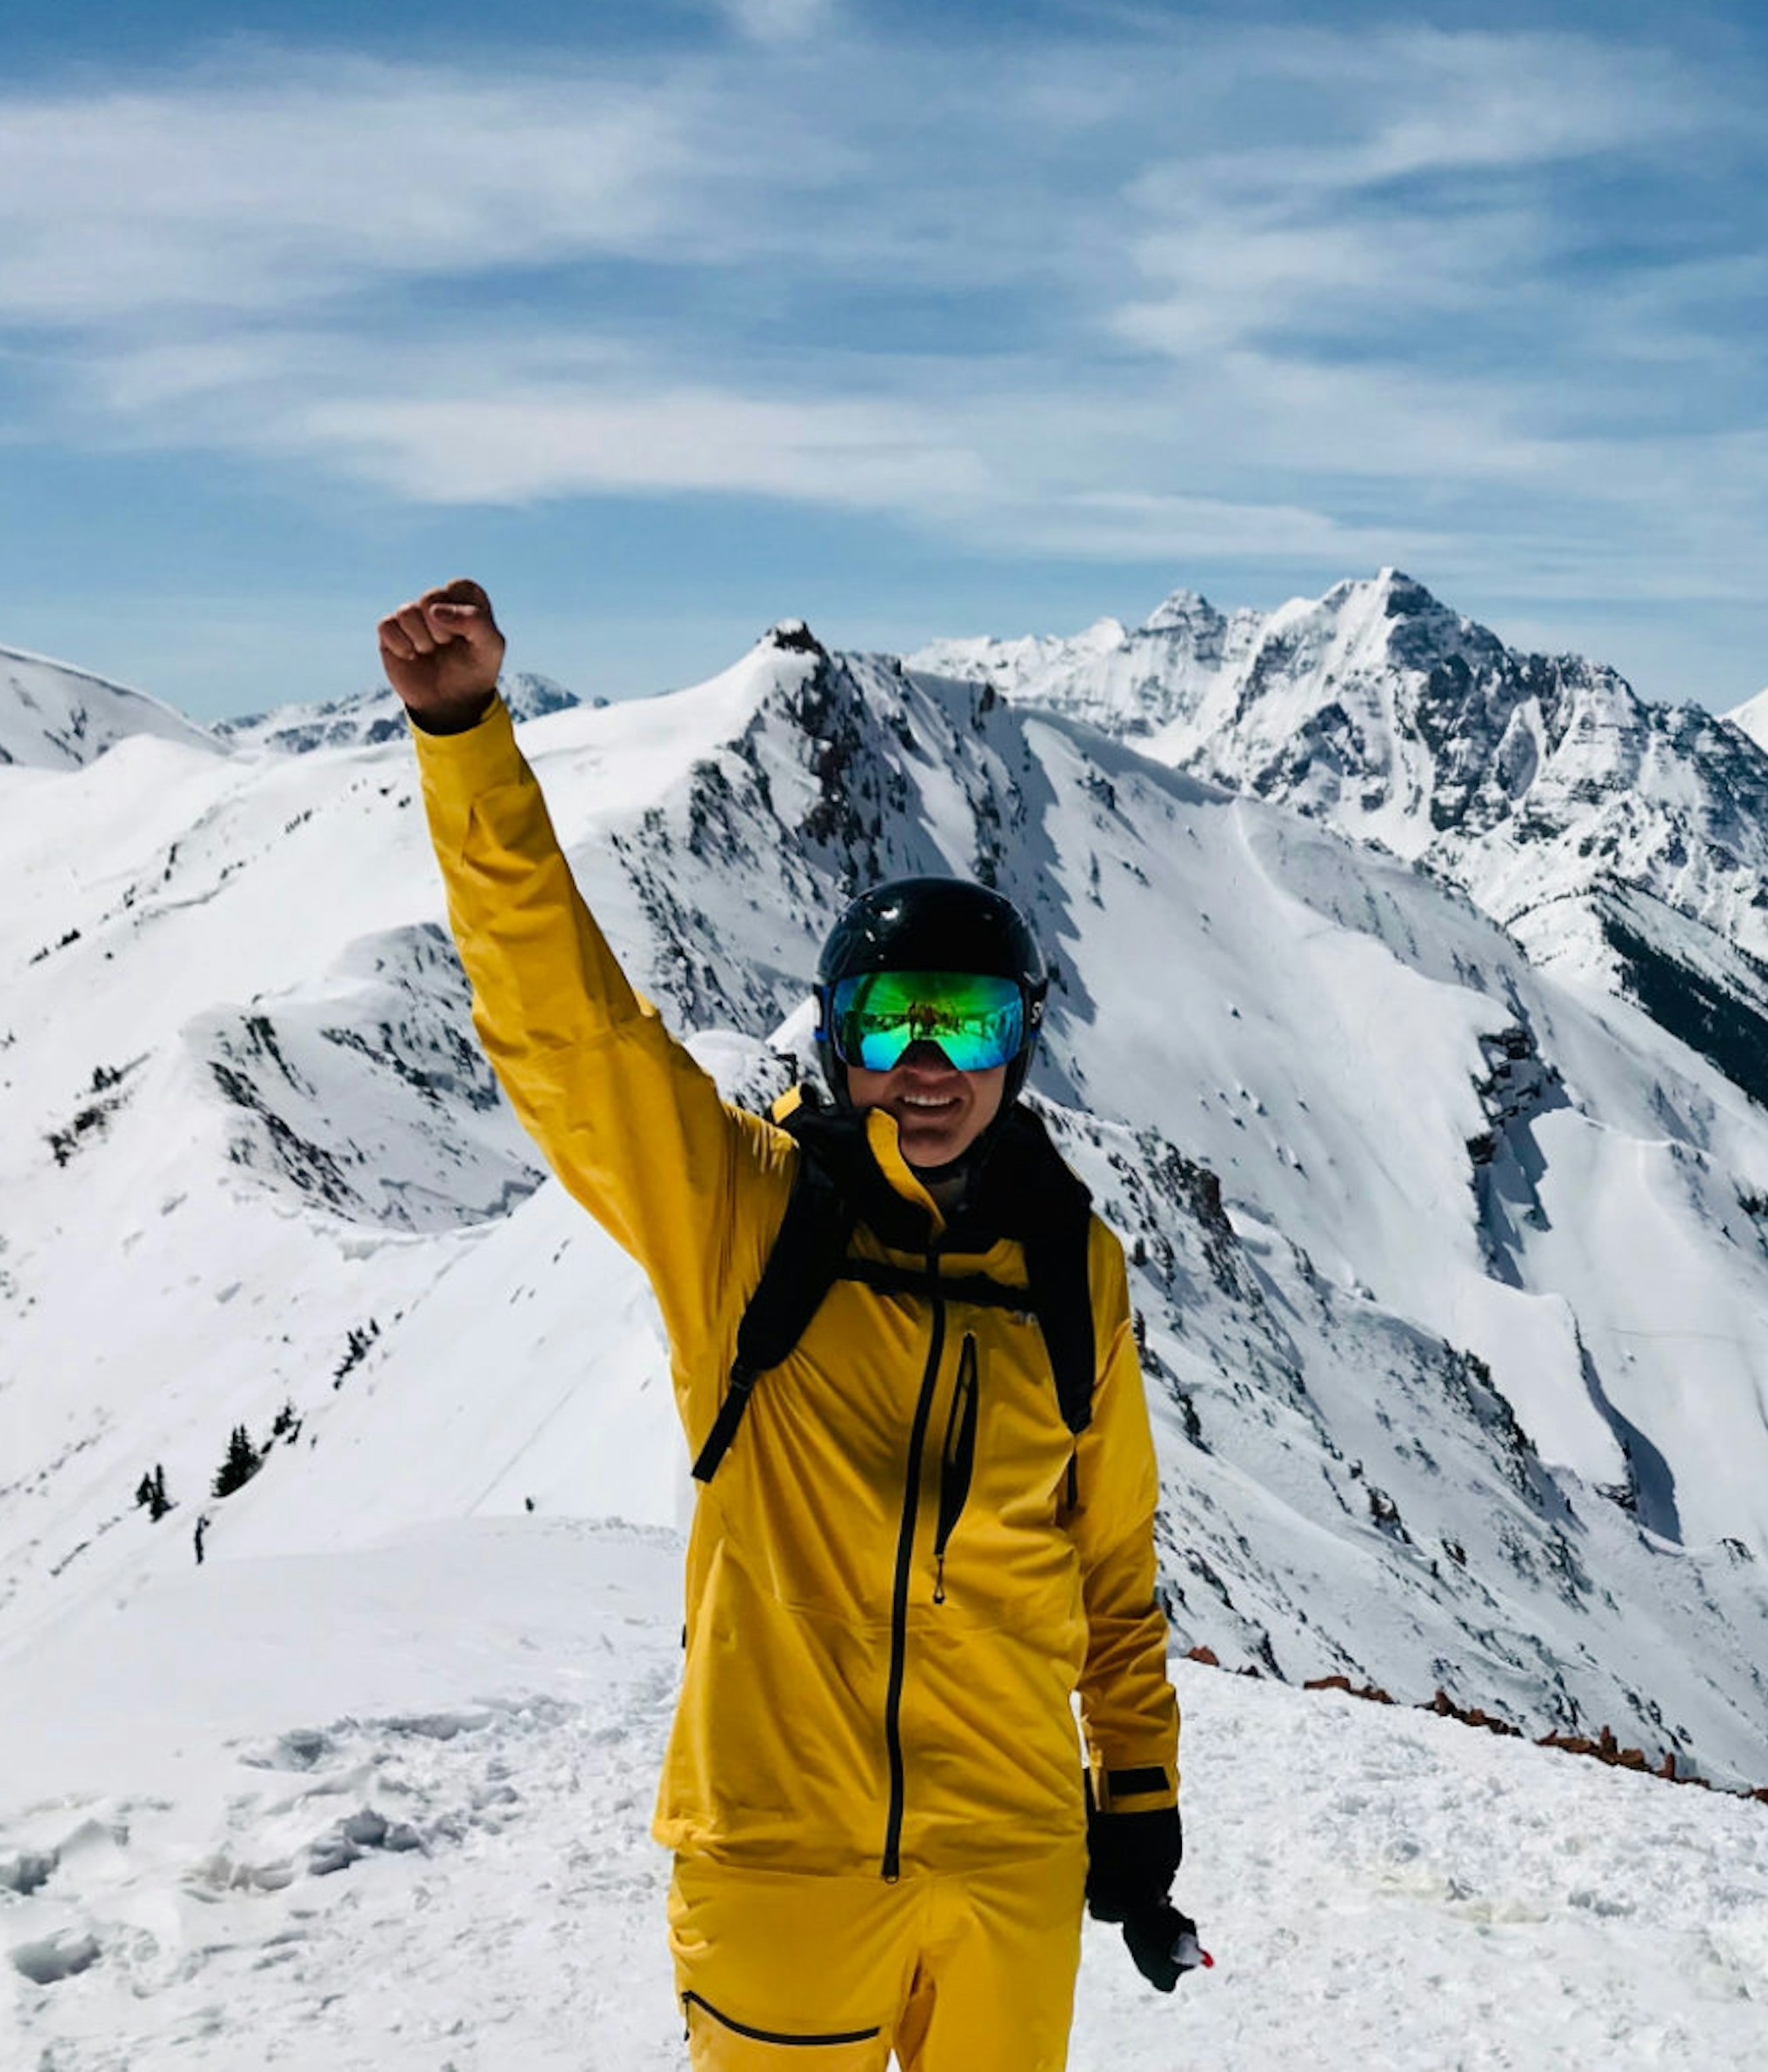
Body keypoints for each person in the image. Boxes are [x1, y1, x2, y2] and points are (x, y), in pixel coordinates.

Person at [378, 579, 1197, 2070]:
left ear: (1022, 1045)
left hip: (1007, 1860)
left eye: (970, 1022)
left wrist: (1133, 1799)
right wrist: (466, 743)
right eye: (891, 1021)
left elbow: (1111, 1566)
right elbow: (571, 1033)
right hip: (778, 1856)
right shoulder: (745, 1216)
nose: (930, 1064)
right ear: (836, 1043)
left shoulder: (1076, 1271)